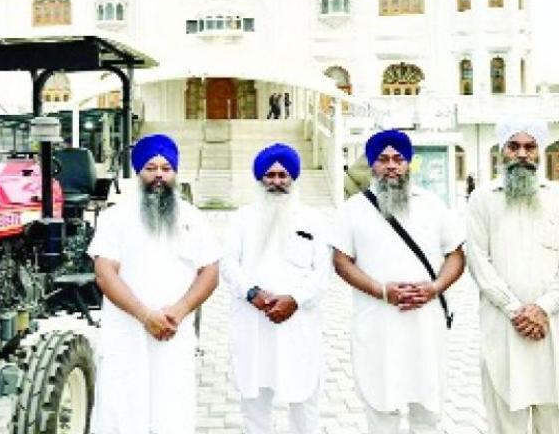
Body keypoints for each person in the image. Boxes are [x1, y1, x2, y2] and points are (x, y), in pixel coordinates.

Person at [330, 129, 465, 434]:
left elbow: (456, 255)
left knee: (427, 409)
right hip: (377, 322)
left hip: (425, 323)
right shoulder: (353, 210)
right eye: (382, 159)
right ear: (372, 165)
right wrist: (381, 291)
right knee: (381, 405)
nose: (391, 165)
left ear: (408, 163)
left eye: (398, 158)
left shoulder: (432, 204)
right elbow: (341, 261)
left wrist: (434, 288)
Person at [87, 133, 220, 434]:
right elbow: (105, 273)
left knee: (172, 410)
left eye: (166, 168)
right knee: (121, 411)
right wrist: (145, 315)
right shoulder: (116, 218)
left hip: (174, 330)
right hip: (126, 333)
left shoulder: (193, 218)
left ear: (175, 173)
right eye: (151, 167)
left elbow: (210, 271)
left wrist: (181, 309)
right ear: (138, 172)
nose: (159, 174)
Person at [222, 143, 330, 434]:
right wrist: (251, 293)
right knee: (254, 397)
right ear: (260, 179)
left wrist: (295, 299)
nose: (277, 182)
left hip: (299, 321)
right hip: (253, 320)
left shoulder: (314, 220)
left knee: (304, 397)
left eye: (283, 175)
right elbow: (228, 263)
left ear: (293, 178)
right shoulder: (241, 218)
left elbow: (322, 271)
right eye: (270, 175)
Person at [466, 118, 559, 434]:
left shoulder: (556, 197)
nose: (522, 153)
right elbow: (478, 262)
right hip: (505, 329)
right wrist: (516, 310)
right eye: (514, 146)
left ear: (539, 152)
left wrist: (543, 307)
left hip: (553, 328)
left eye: (530, 146)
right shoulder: (482, 199)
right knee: (507, 423)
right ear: (501, 151)